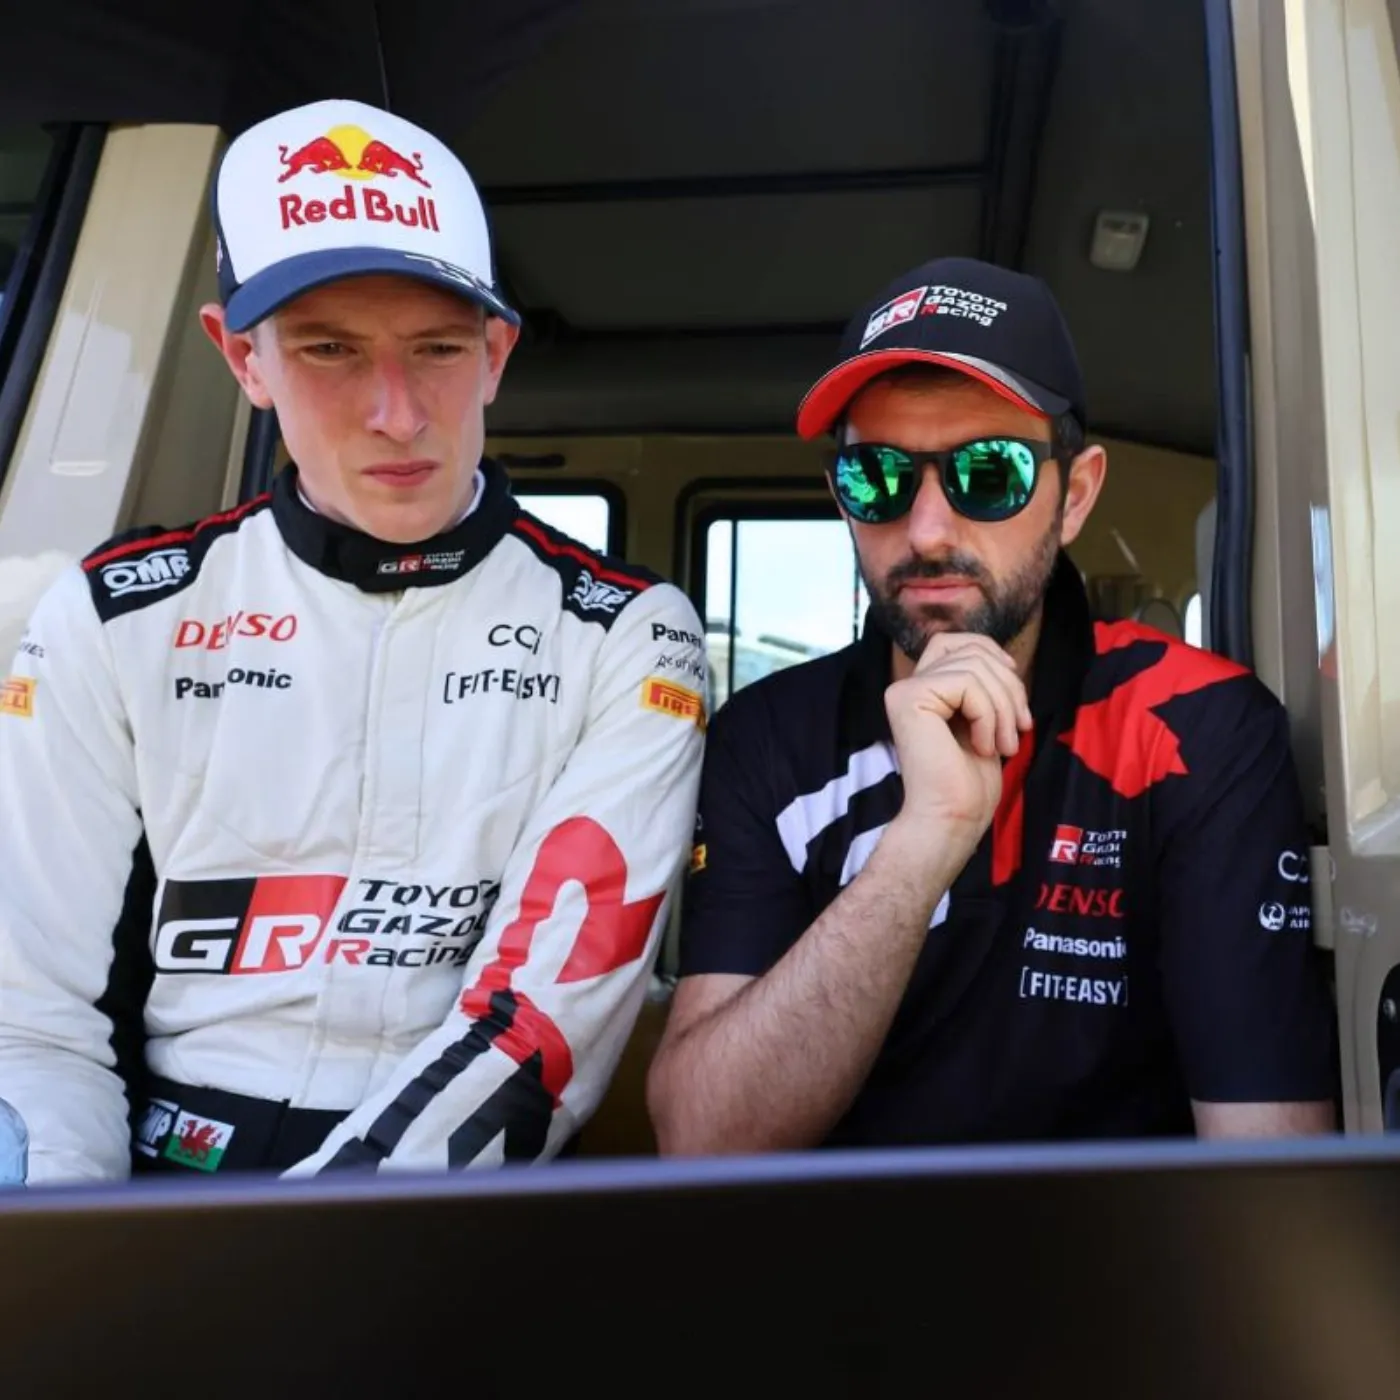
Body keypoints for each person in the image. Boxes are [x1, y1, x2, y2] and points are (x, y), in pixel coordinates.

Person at [0, 98, 707, 1183]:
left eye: (437, 348)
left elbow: (537, 1032)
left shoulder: (625, 634)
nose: (397, 413)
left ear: (496, 354)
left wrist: (325, 1241)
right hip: (151, 1185)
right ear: (242, 357)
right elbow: (30, 1020)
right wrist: (82, 1253)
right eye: (328, 348)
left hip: (439, 1214)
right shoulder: (111, 615)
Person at [647, 256, 1337, 1153]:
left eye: (989, 471)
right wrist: (922, 844)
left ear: (1075, 495)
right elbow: (703, 1139)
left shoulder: (1201, 728)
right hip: (832, 1247)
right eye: (877, 476)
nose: (927, 530)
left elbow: (1266, 1167)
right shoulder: (767, 738)